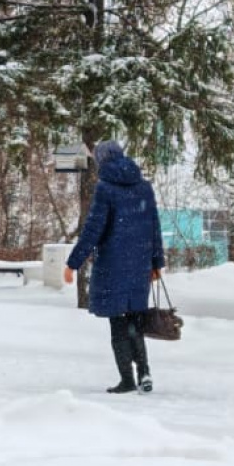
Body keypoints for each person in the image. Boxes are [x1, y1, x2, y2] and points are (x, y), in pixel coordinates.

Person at [63, 140, 165, 394]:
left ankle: (127, 380)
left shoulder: (105, 188)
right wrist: (156, 263)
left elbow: (93, 230)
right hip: (139, 266)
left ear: (102, 160)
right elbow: (154, 227)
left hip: (113, 267)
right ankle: (144, 373)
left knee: (118, 325)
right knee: (135, 322)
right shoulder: (144, 188)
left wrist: (73, 263)